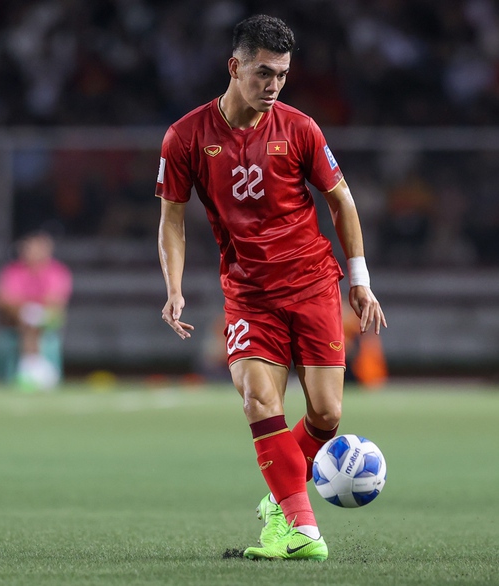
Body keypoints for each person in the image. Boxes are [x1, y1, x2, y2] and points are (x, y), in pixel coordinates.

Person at [156, 15, 386, 561]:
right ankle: (301, 529)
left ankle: (281, 500)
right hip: (250, 295)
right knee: (260, 399)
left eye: (282, 75)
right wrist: (174, 287)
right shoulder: (186, 136)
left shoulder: (300, 128)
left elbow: (342, 201)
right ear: (234, 67)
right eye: (263, 73)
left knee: (327, 416)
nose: (273, 85)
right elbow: (172, 218)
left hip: (312, 284)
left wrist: (359, 280)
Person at [0, 231, 72, 390]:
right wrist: (26, 310)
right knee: (27, 319)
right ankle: (34, 369)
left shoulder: (57, 271)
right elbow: (4, 300)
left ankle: (28, 370)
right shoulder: (13, 270)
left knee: (33, 319)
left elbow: (56, 302)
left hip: (47, 319)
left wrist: (33, 311)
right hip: (16, 319)